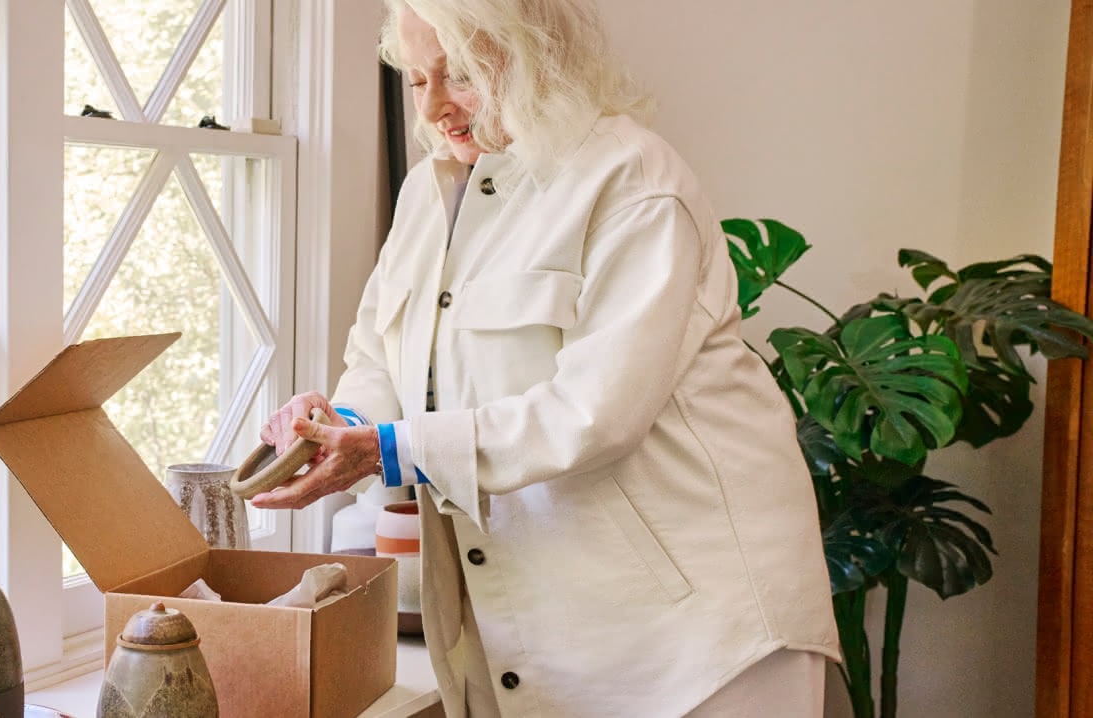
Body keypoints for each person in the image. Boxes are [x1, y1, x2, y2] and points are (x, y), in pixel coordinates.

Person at [251, 1, 840, 715]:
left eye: (460, 74)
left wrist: (385, 451)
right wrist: (337, 422)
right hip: (544, 636)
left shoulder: (632, 180)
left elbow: (596, 414)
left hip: (704, 637)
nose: (435, 106)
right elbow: (381, 354)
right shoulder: (427, 194)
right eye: (415, 79)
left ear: (536, 55)